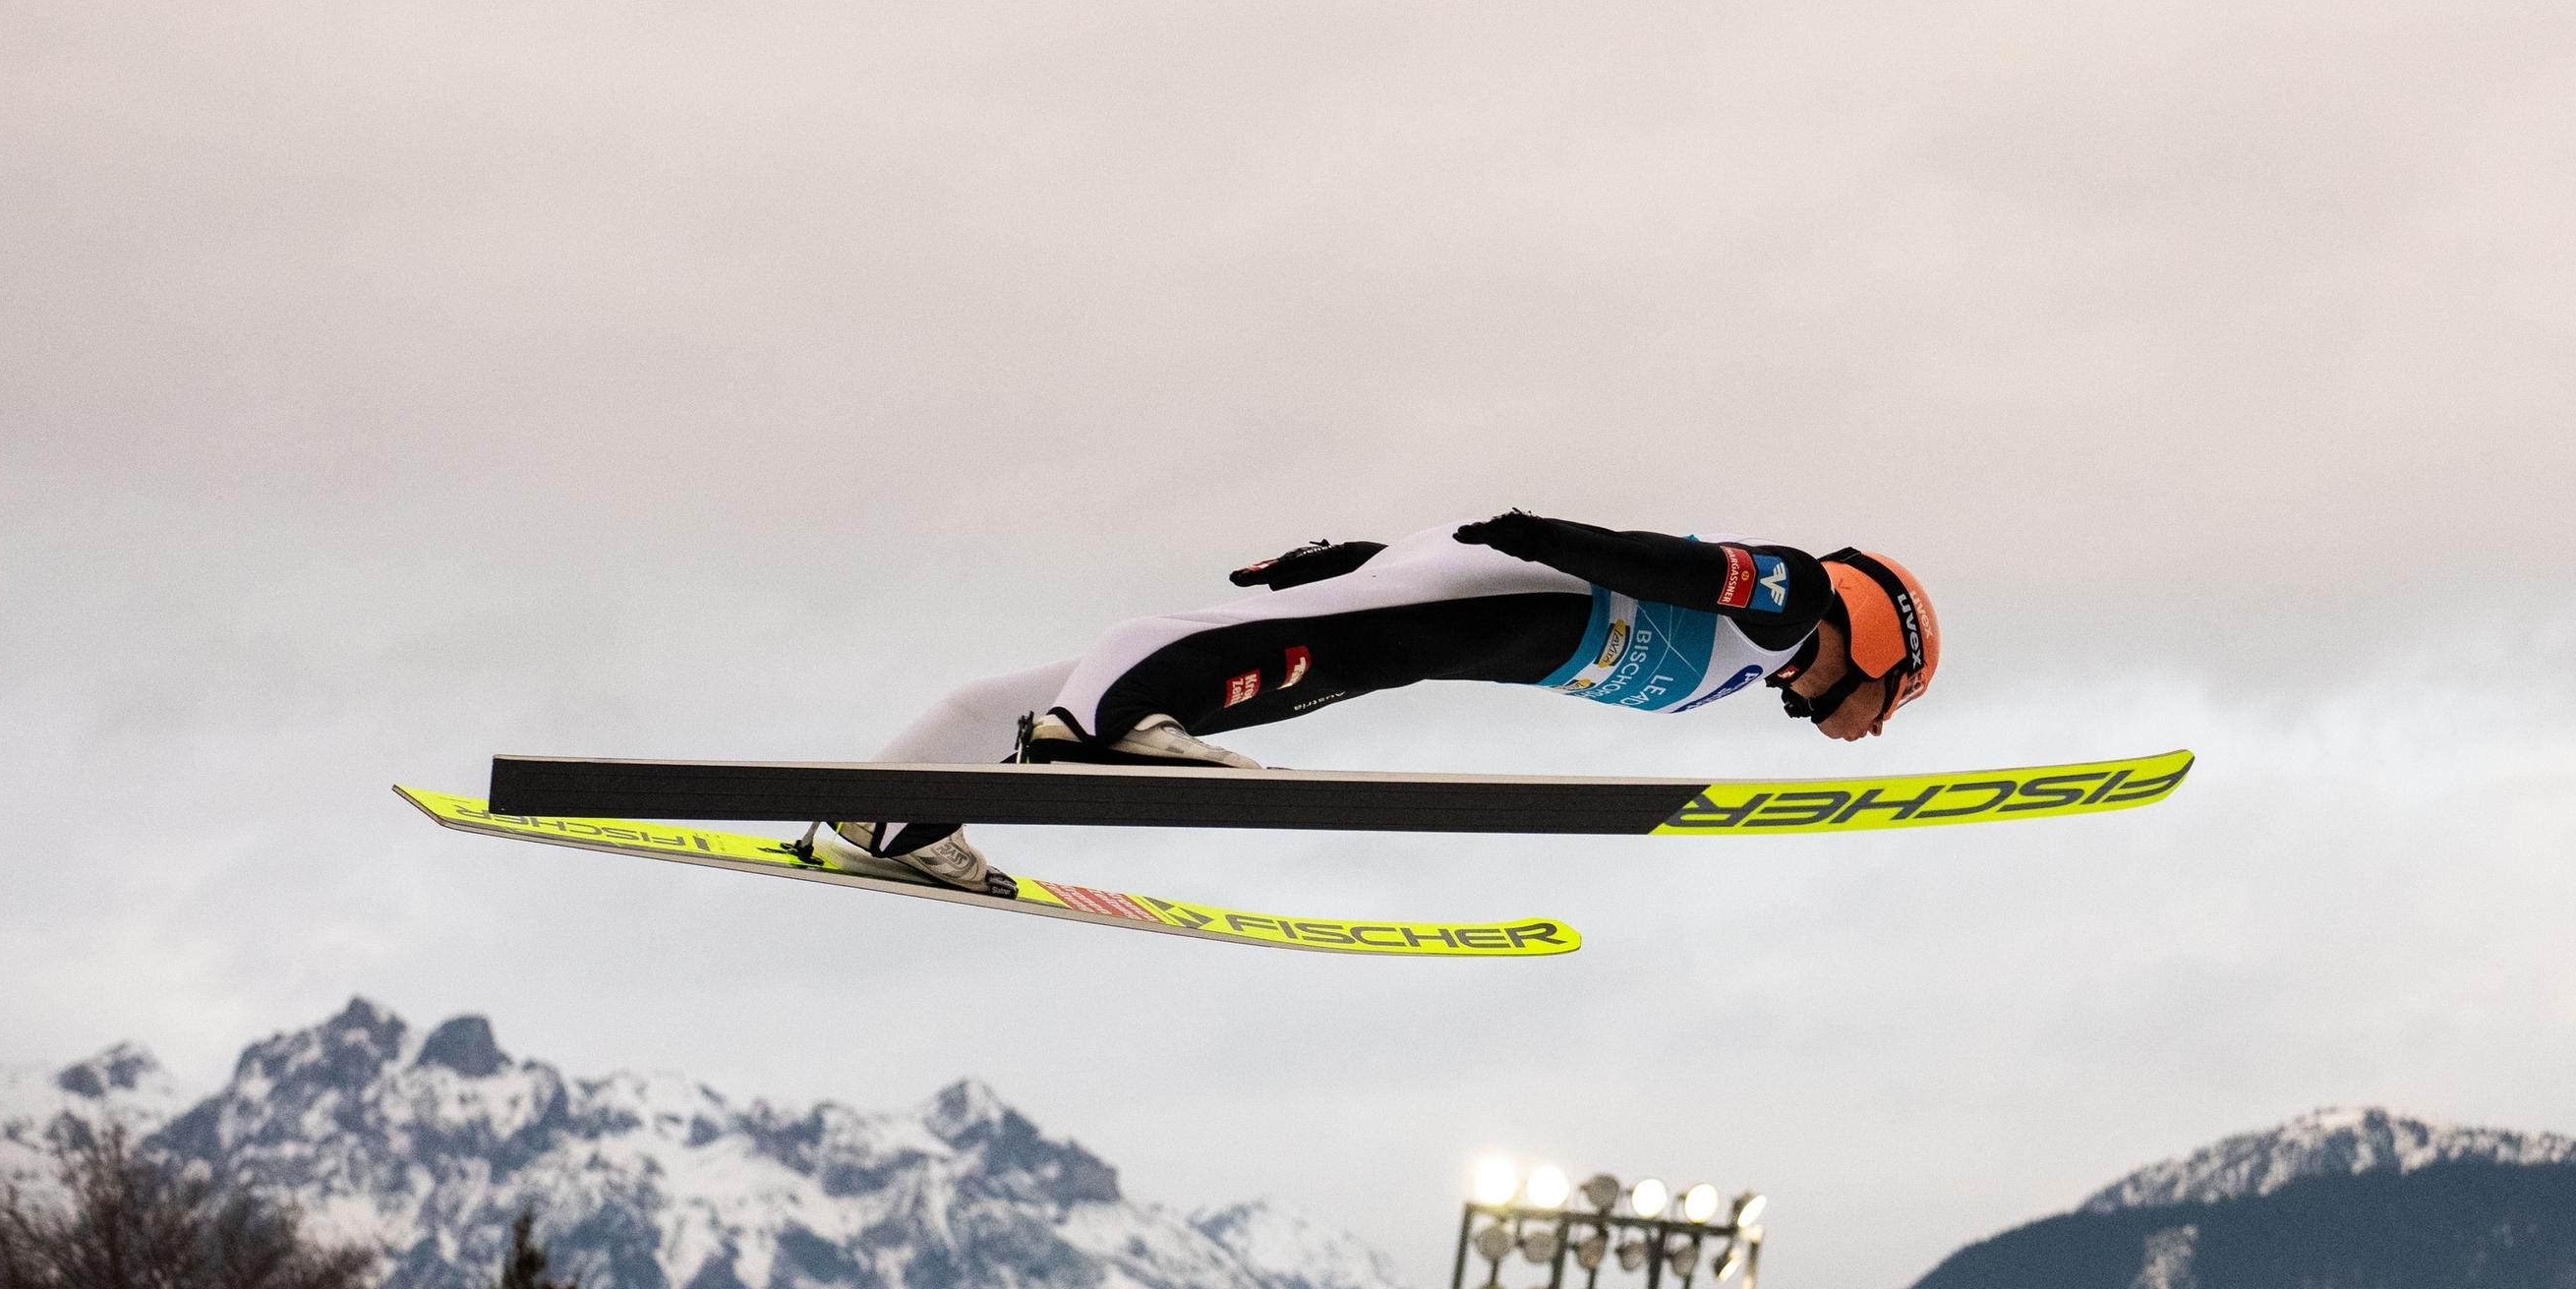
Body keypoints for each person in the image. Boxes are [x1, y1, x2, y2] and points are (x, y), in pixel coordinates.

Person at [816, 513, 1939, 895]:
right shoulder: (1792, 599)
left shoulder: (1765, 661)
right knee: (1304, 651)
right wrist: (1543, 532)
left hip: (1479, 607)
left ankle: (895, 813)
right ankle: (1101, 727)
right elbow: (1675, 568)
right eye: (1893, 697)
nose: (1876, 726)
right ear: (1881, 639)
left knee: (1293, 670)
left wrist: (1371, 555)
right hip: (1506, 588)